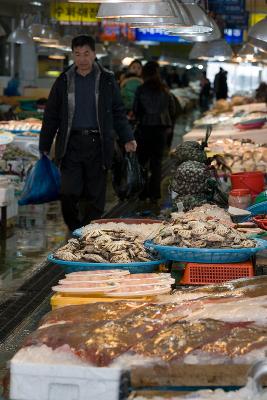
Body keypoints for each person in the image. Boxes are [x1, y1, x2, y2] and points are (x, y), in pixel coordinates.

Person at [39, 35, 136, 232]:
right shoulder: (64, 80)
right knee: (68, 191)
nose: (82, 59)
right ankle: (75, 228)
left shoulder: (107, 79)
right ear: (73, 55)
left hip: (98, 144)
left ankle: (89, 231)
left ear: (94, 54)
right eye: (77, 54)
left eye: (86, 54)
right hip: (70, 143)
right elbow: (51, 115)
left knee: (95, 193)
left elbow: (118, 111)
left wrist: (127, 137)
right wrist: (44, 145)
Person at [133, 61, 178, 203]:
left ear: (144, 73)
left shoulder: (141, 89)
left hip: (144, 130)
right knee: (157, 163)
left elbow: (136, 110)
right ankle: (155, 194)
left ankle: (142, 193)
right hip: (160, 131)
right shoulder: (164, 89)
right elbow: (172, 110)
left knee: (142, 163)